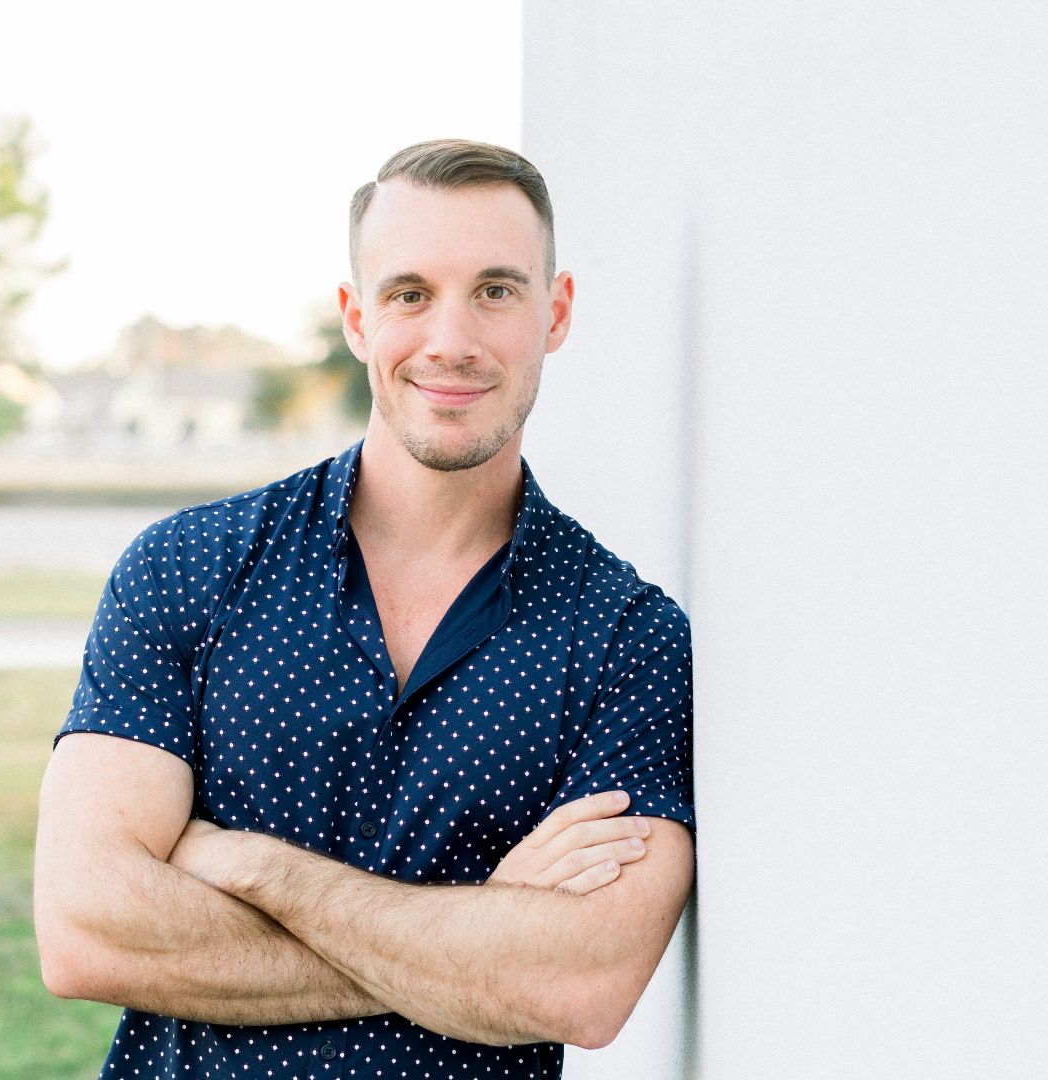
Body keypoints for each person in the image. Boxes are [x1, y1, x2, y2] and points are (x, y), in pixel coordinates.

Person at [34, 138, 697, 1079]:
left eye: (496, 291)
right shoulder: (188, 569)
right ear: (356, 318)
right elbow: (84, 930)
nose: (451, 340)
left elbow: (581, 984)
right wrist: (479, 938)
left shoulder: (626, 636)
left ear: (555, 312)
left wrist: (254, 868)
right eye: (410, 294)